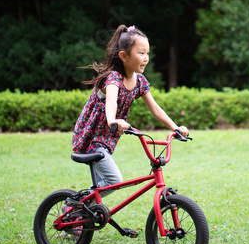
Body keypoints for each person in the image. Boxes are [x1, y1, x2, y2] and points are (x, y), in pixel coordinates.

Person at [72, 25, 188, 197]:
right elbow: (111, 101)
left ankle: (84, 214)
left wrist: (175, 127)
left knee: (100, 186)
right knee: (113, 180)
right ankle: (74, 206)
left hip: (107, 139)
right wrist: (112, 120)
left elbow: (155, 108)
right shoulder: (113, 78)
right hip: (92, 138)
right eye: (141, 53)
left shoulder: (139, 81)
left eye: (147, 53)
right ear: (123, 56)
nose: (146, 58)